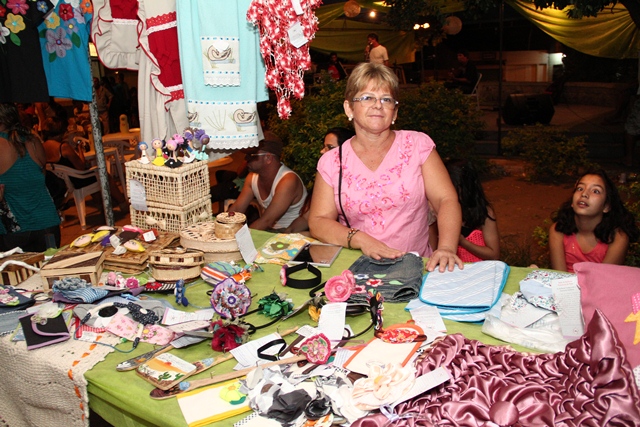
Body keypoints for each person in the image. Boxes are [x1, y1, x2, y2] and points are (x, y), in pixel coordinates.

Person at [308, 62, 463, 272]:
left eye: (386, 99)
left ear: (395, 112)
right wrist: (360, 239)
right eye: (367, 97)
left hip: (414, 268)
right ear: (349, 108)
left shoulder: (417, 145)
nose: (378, 105)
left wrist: (446, 248)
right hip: (358, 268)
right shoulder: (332, 161)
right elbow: (318, 221)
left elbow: (446, 200)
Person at [549, 169, 639, 273]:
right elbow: (560, 278)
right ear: (572, 202)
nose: (584, 194)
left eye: (595, 191)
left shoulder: (618, 237)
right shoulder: (558, 230)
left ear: (606, 206)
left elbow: (603, 278)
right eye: (580, 188)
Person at [0, 103, 61, 252]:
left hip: (15, 231)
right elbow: (41, 176)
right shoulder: (33, 140)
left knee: (20, 269)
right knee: (50, 266)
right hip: (47, 224)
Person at [228, 131, 307, 231]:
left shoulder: (288, 181)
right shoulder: (252, 177)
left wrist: (241, 238)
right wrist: (221, 226)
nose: (246, 159)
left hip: (290, 233)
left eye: (251, 155)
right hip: (270, 232)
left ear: (268, 158)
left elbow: (266, 221)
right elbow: (237, 209)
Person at [284, 127, 355, 234]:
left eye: (329, 147)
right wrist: (287, 233)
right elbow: (306, 218)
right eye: (324, 146)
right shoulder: (326, 176)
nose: (322, 151)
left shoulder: (354, 182)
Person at [444, 159, 500, 262]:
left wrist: (462, 242)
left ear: (466, 188)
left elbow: (494, 254)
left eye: (451, 186)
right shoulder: (440, 209)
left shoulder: (484, 213)